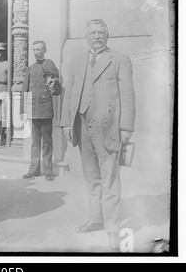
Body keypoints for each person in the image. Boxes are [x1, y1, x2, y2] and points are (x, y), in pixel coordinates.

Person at [60, 19, 136, 250]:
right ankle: (96, 220)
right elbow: (69, 93)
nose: (96, 36)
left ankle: (113, 229)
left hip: (108, 128)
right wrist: (65, 125)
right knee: (91, 177)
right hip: (82, 126)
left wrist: (126, 128)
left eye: (100, 32)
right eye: (92, 32)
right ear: (86, 36)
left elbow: (128, 96)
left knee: (109, 178)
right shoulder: (76, 60)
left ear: (107, 35)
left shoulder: (120, 60)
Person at [20, 40, 62, 181]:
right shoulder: (30, 68)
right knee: (35, 142)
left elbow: (56, 77)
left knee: (47, 142)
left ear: (45, 50)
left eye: (39, 49)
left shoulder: (48, 64)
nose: (36, 52)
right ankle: (33, 170)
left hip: (45, 109)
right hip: (33, 109)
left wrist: (47, 65)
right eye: (34, 50)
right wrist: (22, 110)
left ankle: (48, 171)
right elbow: (24, 89)